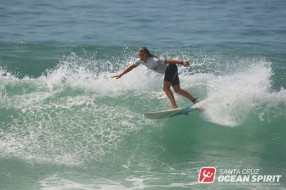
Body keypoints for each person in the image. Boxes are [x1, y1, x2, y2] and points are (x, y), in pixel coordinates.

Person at [112, 47, 198, 109]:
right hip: (172, 69)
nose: (140, 56)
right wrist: (121, 74)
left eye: (142, 55)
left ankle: (174, 106)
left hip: (171, 68)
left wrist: (181, 62)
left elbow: (167, 61)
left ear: (146, 54)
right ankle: (194, 101)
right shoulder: (140, 61)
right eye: (139, 55)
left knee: (165, 88)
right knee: (177, 90)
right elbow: (132, 66)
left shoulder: (153, 60)